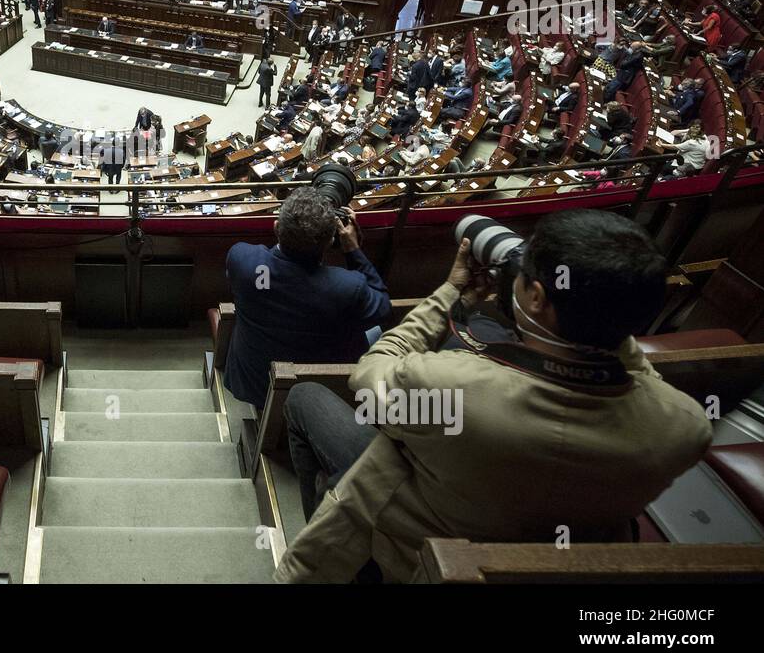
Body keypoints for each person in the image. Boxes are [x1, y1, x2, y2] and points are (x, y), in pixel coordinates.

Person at [275, 210, 711, 583]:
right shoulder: (685, 427)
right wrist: (602, 314)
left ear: (537, 297)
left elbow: (372, 370)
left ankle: (338, 534)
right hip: (536, 546)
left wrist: (451, 293)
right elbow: (639, 371)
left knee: (303, 397)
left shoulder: (448, 388)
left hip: (419, 546)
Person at [224, 189, 390, 410]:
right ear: (332, 240)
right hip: (319, 393)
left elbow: (270, 268)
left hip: (252, 383)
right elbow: (383, 308)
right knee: (377, 332)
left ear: (276, 228)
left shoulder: (243, 260)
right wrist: (353, 249)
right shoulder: (347, 287)